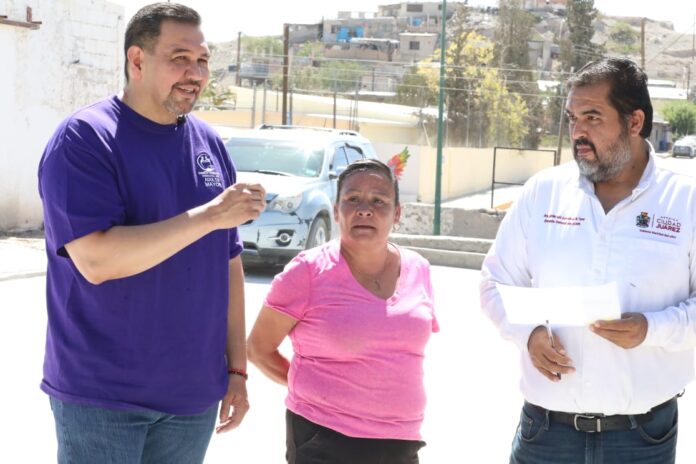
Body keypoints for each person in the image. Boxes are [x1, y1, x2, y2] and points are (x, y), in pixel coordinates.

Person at [37, 3, 265, 463]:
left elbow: (228, 264)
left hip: (192, 400)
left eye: (202, 60)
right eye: (179, 58)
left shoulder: (209, 143)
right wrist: (209, 216)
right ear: (137, 60)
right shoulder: (86, 138)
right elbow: (97, 261)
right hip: (103, 399)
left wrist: (237, 370)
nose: (195, 73)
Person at [480, 57, 696, 463]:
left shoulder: (686, 200)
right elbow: (495, 283)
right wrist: (528, 333)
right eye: (572, 118)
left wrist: (651, 329)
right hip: (545, 434)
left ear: (634, 122)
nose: (578, 131)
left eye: (592, 117)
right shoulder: (543, 192)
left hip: (642, 440)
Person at [247, 159, 438, 464]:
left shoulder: (419, 268)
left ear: (397, 213)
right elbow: (258, 349)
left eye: (379, 201)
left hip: (402, 441)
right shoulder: (307, 271)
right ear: (336, 211)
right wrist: (312, 388)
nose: (365, 210)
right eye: (353, 199)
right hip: (324, 437)